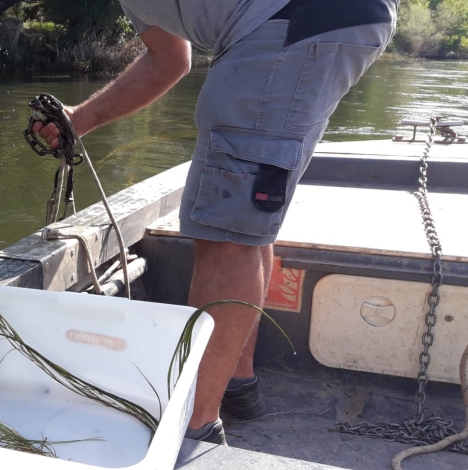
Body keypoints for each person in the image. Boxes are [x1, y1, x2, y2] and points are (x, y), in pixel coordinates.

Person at [32, 0, 398, 445]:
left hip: (296, 20)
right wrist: (80, 119)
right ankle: (236, 384)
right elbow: (170, 61)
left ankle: (194, 424)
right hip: (308, 24)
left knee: (227, 236)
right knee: (244, 223)